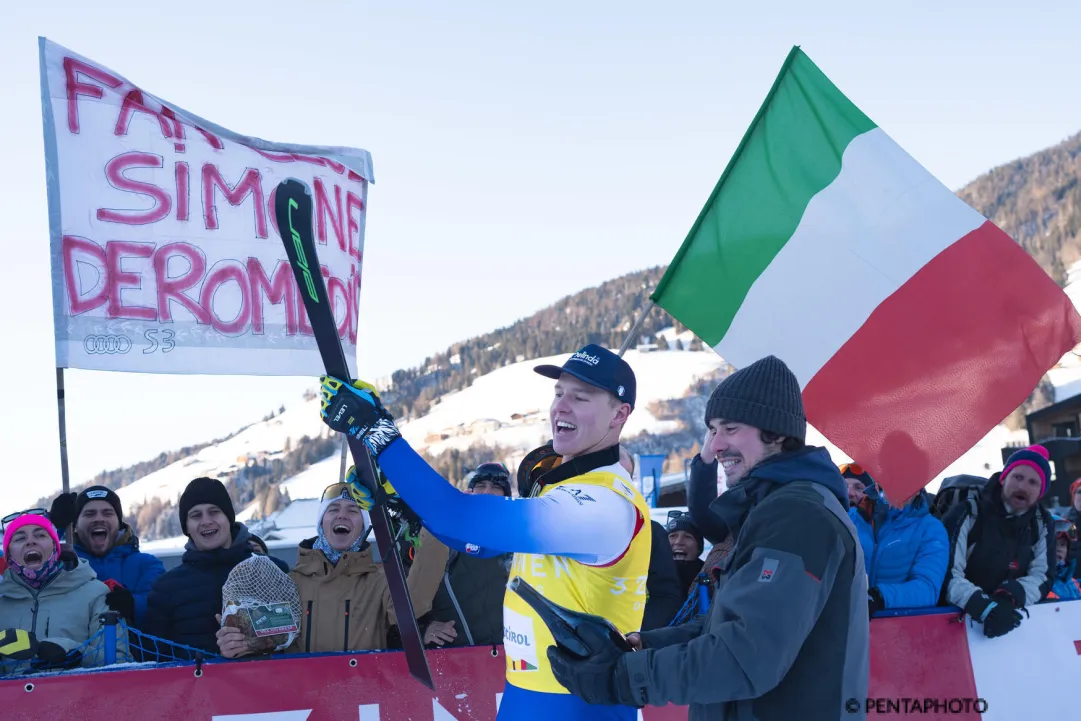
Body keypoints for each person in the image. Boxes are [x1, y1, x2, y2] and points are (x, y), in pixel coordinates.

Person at [318, 344, 652, 721]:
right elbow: (479, 543)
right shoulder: (562, 488)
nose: (561, 405)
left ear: (619, 414)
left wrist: (376, 431)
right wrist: (405, 501)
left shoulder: (603, 504)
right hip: (529, 692)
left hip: (576, 704)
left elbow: (461, 518)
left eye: (581, 397)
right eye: (559, 393)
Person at [545, 355, 869, 720]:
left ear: (777, 433)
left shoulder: (798, 516)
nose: (714, 446)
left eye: (729, 429)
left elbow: (746, 656)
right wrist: (640, 646)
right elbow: (725, 623)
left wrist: (621, 678)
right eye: (712, 430)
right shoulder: (772, 508)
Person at [246, 479, 448, 656]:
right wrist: (239, 642)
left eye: (353, 510)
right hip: (303, 698)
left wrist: (432, 528)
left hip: (363, 696)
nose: (342, 515)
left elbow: (413, 606)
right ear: (321, 523)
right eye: (333, 509)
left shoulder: (380, 583)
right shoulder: (289, 584)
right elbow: (264, 642)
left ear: (363, 526)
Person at [941, 445, 1056, 638]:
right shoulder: (968, 511)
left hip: (1007, 619)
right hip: (953, 622)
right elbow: (947, 572)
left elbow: (1043, 576)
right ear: (1004, 478)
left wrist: (1008, 596)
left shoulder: (1042, 523)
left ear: (1040, 493)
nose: (1022, 487)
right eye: (1017, 477)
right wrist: (983, 605)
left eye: (1033, 482)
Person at [0, 513, 129, 670]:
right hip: (14, 695)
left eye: (40, 535)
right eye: (20, 538)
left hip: (79, 693)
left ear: (55, 546)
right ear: (9, 554)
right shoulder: (2, 601)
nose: (30, 541)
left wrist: (73, 652)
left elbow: (120, 661)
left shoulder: (95, 593)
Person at [142, 478, 255, 657]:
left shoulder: (270, 571)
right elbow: (152, 658)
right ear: (186, 527)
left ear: (228, 518)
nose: (206, 521)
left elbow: (295, 640)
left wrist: (256, 643)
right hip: (193, 685)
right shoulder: (166, 588)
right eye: (196, 515)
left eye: (214, 512)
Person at [421, 463, 512, 649]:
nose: (487, 492)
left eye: (496, 487)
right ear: (469, 492)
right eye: (481, 486)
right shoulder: (444, 538)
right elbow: (403, 593)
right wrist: (423, 628)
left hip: (514, 661)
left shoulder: (519, 543)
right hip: (457, 662)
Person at [47, 486, 165, 627]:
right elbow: (21, 566)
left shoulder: (147, 565)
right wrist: (51, 526)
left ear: (119, 523)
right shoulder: (63, 564)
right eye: (89, 514)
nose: (98, 519)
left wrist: (134, 604)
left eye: (107, 513)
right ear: (75, 526)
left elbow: (163, 611)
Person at [845, 470, 948, 616]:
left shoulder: (931, 529)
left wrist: (880, 596)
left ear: (919, 488)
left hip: (895, 628)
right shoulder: (851, 519)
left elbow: (927, 590)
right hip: (846, 623)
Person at [666, 513, 704, 595]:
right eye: (673, 536)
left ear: (699, 548)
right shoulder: (650, 574)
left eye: (688, 537)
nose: (678, 542)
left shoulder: (711, 574)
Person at [1044, 515, 1080, 601]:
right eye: (1054, 544)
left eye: (1063, 545)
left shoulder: (1074, 584)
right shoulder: (1037, 585)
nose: (1059, 549)